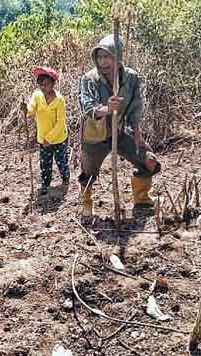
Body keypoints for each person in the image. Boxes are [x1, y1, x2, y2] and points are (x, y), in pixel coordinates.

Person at [78, 34, 161, 218]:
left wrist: (138, 135)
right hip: (95, 134)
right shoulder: (89, 79)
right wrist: (108, 108)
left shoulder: (130, 77)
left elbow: (135, 107)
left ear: (118, 57)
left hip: (121, 130)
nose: (103, 62)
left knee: (148, 161)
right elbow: (87, 106)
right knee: (88, 174)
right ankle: (86, 203)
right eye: (100, 57)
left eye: (107, 57)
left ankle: (142, 200)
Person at [21, 67, 70, 196]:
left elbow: (60, 123)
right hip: (42, 138)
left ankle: (65, 179)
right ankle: (45, 184)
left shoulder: (60, 100)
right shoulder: (37, 96)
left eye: (46, 84)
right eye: (41, 84)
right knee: (45, 164)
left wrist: (50, 138)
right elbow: (31, 109)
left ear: (53, 84)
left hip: (59, 138)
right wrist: (26, 109)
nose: (43, 87)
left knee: (61, 161)